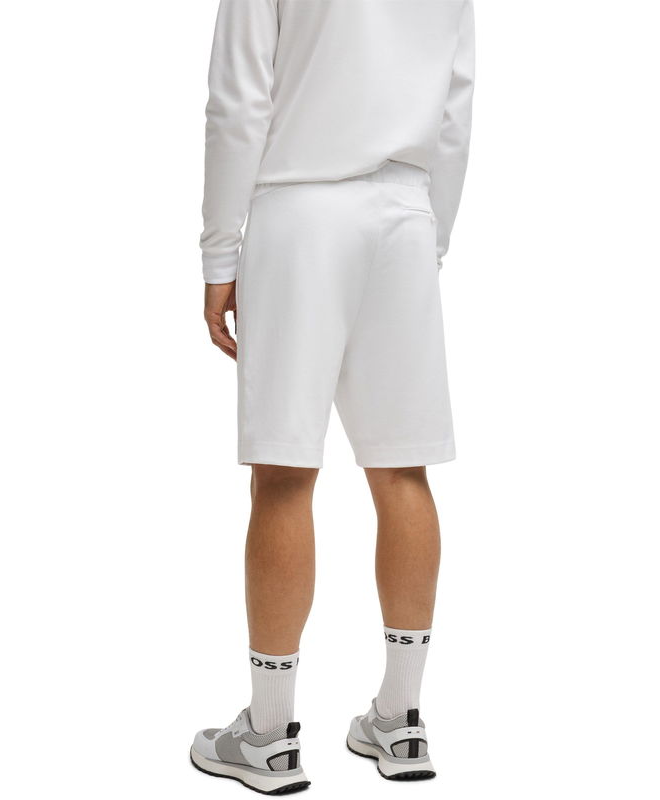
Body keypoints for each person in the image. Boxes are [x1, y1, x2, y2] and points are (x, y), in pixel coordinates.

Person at [190, 0, 475, 793]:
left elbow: (238, 100)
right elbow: (455, 105)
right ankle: (401, 721)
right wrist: (431, 236)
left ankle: (268, 735)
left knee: (284, 474)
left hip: (299, 208)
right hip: (406, 212)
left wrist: (219, 254)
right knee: (403, 470)